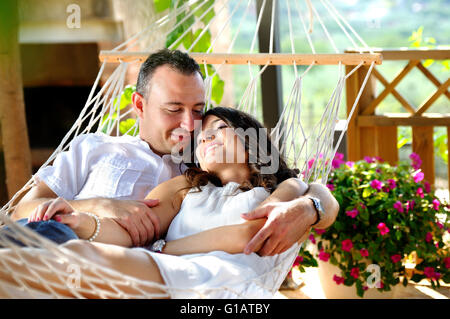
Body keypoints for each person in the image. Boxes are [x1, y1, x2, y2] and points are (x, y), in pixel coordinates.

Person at [10, 49, 339, 256]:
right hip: (52, 241)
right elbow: (18, 210)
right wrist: (99, 204)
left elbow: (308, 187)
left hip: (112, 271)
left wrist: (310, 205)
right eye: (173, 109)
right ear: (139, 105)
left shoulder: (203, 168)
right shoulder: (94, 147)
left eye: (198, 109)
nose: (189, 123)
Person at [0, 107, 337, 298]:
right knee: (69, 253)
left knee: (75, 259)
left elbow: (246, 236)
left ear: (253, 142)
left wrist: (164, 249)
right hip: (167, 270)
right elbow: (129, 232)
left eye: (219, 128)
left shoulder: (288, 186)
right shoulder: (183, 189)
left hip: (223, 280)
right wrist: (80, 220)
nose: (205, 136)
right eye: (202, 134)